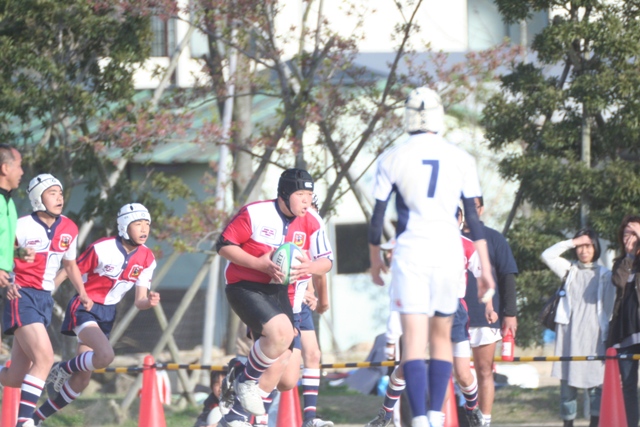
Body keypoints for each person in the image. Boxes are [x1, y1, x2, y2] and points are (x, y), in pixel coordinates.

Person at [368, 86, 496, 427]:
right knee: (441, 335)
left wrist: (373, 260)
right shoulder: (461, 158)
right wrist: (485, 271)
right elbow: (475, 219)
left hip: (411, 252)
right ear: (439, 116)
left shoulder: (392, 157)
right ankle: (437, 416)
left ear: (408, 116)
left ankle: (420, 418)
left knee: (413, 339)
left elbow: (378, 216)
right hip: (448, 251)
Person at [215, 168, 333, 427]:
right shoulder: (256, 213)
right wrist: (259, 264)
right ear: (284, 193)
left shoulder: (312, 220)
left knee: (288, 378)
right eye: (301, 194)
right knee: (281, 336)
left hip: (283, 293)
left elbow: (326, 262)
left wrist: (309, 269)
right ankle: (240, 407)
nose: (307, 200)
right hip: (245, 286)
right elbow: (223, 245)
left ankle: (240, 378)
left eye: (310, 194)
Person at [366, 208, 495, 427]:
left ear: (460, 220)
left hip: (454, 310)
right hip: (423, 308)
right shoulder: (422, 243)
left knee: (463, 374)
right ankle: (386, 413)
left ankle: (472, 410)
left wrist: (489, 305)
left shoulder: (466, 245)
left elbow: (483, 276)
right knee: (407, 365)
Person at [33, 203, 161, 425]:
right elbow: (68, 270)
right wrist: (45, 293)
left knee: (82, 379)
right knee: (105, 356)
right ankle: (61, 368)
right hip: (86, 308)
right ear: (123, 226)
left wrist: (148, 302)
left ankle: (34, 419)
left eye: (147, 224)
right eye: (138, 223)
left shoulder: (148, 258)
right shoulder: (102, 248)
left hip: (108, 314)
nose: (144, 229)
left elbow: (140, 301)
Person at [0, 174, 89, 427]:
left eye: (60, 192)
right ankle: (24, 422)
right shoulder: (20, 225)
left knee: (15, 378)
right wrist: (11, 271)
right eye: (52, 193)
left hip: (44, 300)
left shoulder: (70, 228)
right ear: (38, 199)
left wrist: (82, 292)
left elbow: (70, 265)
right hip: (21, 294)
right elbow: (2, 253)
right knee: (45, 358)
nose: (59, 197)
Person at [541, 228, 614, 427]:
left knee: (596, 386)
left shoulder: (605, 275)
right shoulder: (569, 270)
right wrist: (571, 242)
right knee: (567, 386)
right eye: (580, 246)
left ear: (596, 247)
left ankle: (595, 423)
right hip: (569, 334)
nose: (583, 250)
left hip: (595, 335)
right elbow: (547, 255)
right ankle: (568, 424)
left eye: (588, 245)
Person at [463, 196, 518, 427]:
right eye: (464, 207)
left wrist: (510, 313)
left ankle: (483, 421)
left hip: (486, 316)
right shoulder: (448, 239)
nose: (468, 211)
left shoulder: (494, 238)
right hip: (455, 317)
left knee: (484, 370)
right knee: (458, 373)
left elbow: (507, 276)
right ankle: (462, 418)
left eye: (473, 207)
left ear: (481, 209)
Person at [607, 215, 640, 427]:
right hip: (625, 332)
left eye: (635, 232)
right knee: (628, 386)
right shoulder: (620, 262)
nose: (630, 237)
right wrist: (629, 255)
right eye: (627, 232)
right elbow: (618, 281)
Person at [0, 144, 24, 288]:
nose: (22, 172)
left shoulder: (9, 203)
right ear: (5, 168)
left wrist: (18, 253)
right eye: (19, 165)